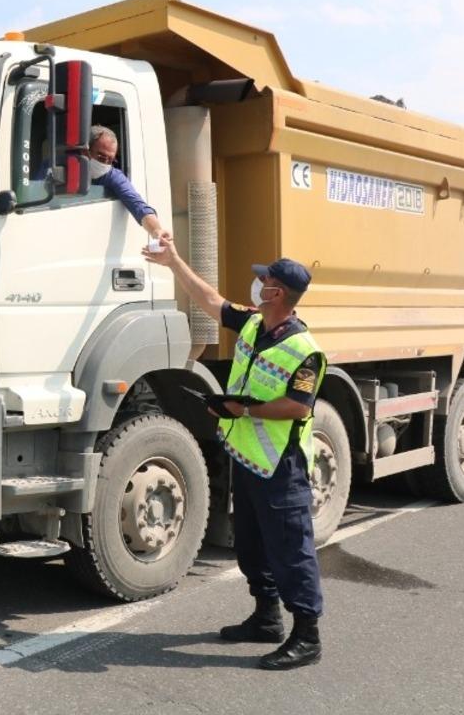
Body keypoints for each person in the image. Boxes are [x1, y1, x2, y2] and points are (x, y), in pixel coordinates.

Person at [142, 239, 326, 671]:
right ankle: (266, 618)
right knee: (252, 541)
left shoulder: (305, 350)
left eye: (265, 279)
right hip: (248, 457)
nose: (258, 282)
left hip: (282, 463)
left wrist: (241, 407)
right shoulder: (252, 323)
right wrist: (173, 261)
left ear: (276, 292)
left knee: (291, 548)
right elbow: (211, 300)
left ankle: (307, 636)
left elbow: (299, 406)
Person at [87, 125, 169, 241]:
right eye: (101, 157)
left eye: (110, 160)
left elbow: (137, 204)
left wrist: (157, 230)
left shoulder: (113, 176)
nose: (105, 163)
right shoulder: (61, 167)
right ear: (85, 150)